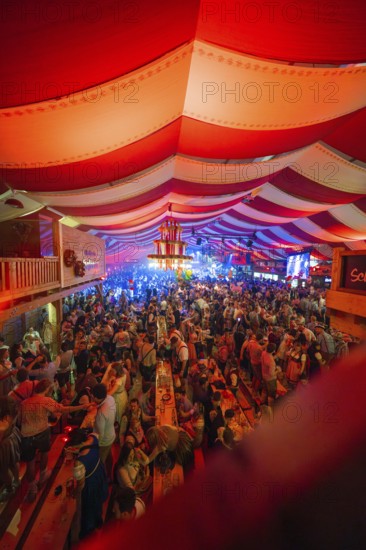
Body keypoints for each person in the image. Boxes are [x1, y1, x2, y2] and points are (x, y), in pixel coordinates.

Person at [19, 379, 90, 502]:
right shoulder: (46, 401)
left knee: (30, 462)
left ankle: (32, 488)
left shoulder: (24, 403)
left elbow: (19, 421)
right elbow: (63, 410)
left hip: (26, 435)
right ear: (47, 390)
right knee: (44, 453)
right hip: (41, 432)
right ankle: (43, 475)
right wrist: (83, 406)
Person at [65, 428, 109, 539]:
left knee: (88, 509)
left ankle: (88, 534)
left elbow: (81, 484)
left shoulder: (79, 462)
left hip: (90, 484)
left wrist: (74, 493)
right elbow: (84, 447)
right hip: (99, 473)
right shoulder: (92, 438)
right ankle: (99, 520)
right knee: (98, 501)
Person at [91, 383, 116, 477]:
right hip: (111, 434)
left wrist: (96, 445)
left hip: (104, 441)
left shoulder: (101, 413)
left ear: (96, 397)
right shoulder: (110, 398)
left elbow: (100, 434)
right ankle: (110, 474)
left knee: (100, 462)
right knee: (109, 456)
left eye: (93, 396)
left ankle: (103, 480)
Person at [0, 396, 21, 502]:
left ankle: (9, 489)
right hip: (12, 437)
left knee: (3, 469)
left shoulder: (2, 423)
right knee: (14, 462)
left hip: (4, 445)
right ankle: (16, 481)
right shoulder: (13, 411)